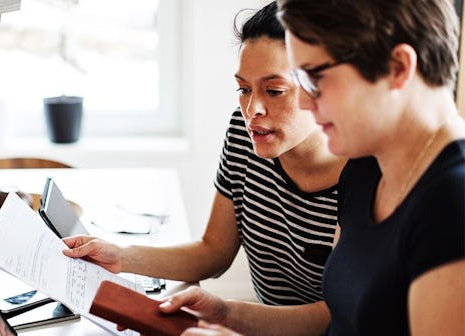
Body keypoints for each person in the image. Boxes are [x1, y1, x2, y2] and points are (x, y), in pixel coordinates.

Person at [161, 0, 465, 335]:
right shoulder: (365, 167)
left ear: (397, 67)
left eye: (316, 77)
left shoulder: (453, 200)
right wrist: (228, 315)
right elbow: (337, 318)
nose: (305, 101)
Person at [64, 2, 346, 333]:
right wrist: (123, 257)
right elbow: (214, 251)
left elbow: (337, 316)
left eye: (274, 91)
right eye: (243, 89)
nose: (252, 109)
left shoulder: (366, 174)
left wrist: (227, 314)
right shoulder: (245, 135)